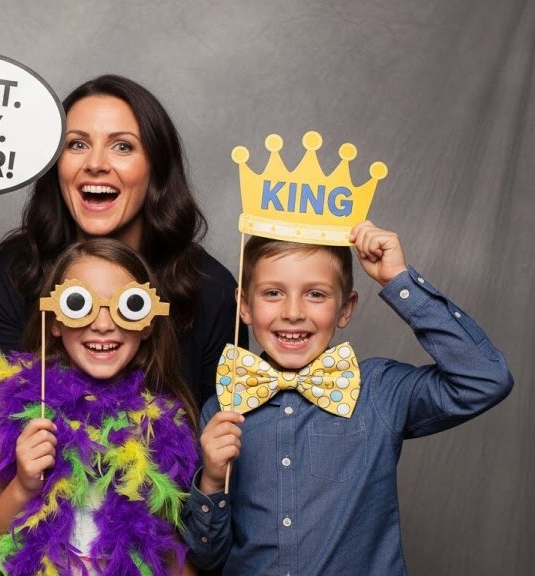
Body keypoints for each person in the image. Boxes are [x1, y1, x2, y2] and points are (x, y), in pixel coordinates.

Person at [184, 221, 513, 574]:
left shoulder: (380, 391)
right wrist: (212, 483)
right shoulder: (223, 408)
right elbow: (207, 559)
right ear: (244, 308)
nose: (293, 312)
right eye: (273, 293)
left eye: (316, 294)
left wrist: (398, 281)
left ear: (345, 308)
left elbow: (485, 379)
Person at [0, 74, 244, 406]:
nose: (96, 164)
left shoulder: (210, 288)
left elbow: (226, 439)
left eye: (122, 146)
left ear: (155, 167)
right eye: (77, 144)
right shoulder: (17, 267)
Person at [0, 238, 218, 575]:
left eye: (127, 306)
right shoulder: (14, 409)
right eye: (79, 304)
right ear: (54, 321)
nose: (102, 324)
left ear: (147, 323)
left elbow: (170, 551)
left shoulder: (160, 426)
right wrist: (24, 485)